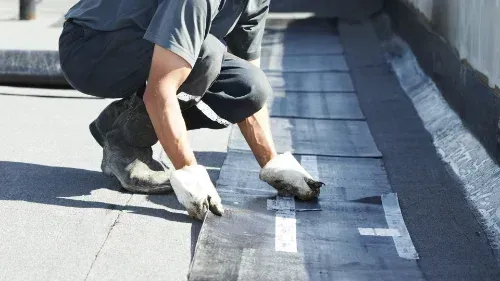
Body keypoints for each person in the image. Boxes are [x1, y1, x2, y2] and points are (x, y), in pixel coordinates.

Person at [58, 0, 323, 220]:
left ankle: (120, 119)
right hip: (91, 47)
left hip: (141, 45)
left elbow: (248, 72)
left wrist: (272, 164)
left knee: (249, 86)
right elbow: (161, 87)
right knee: (205, 53)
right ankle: (125, 144)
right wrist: (188, 169)